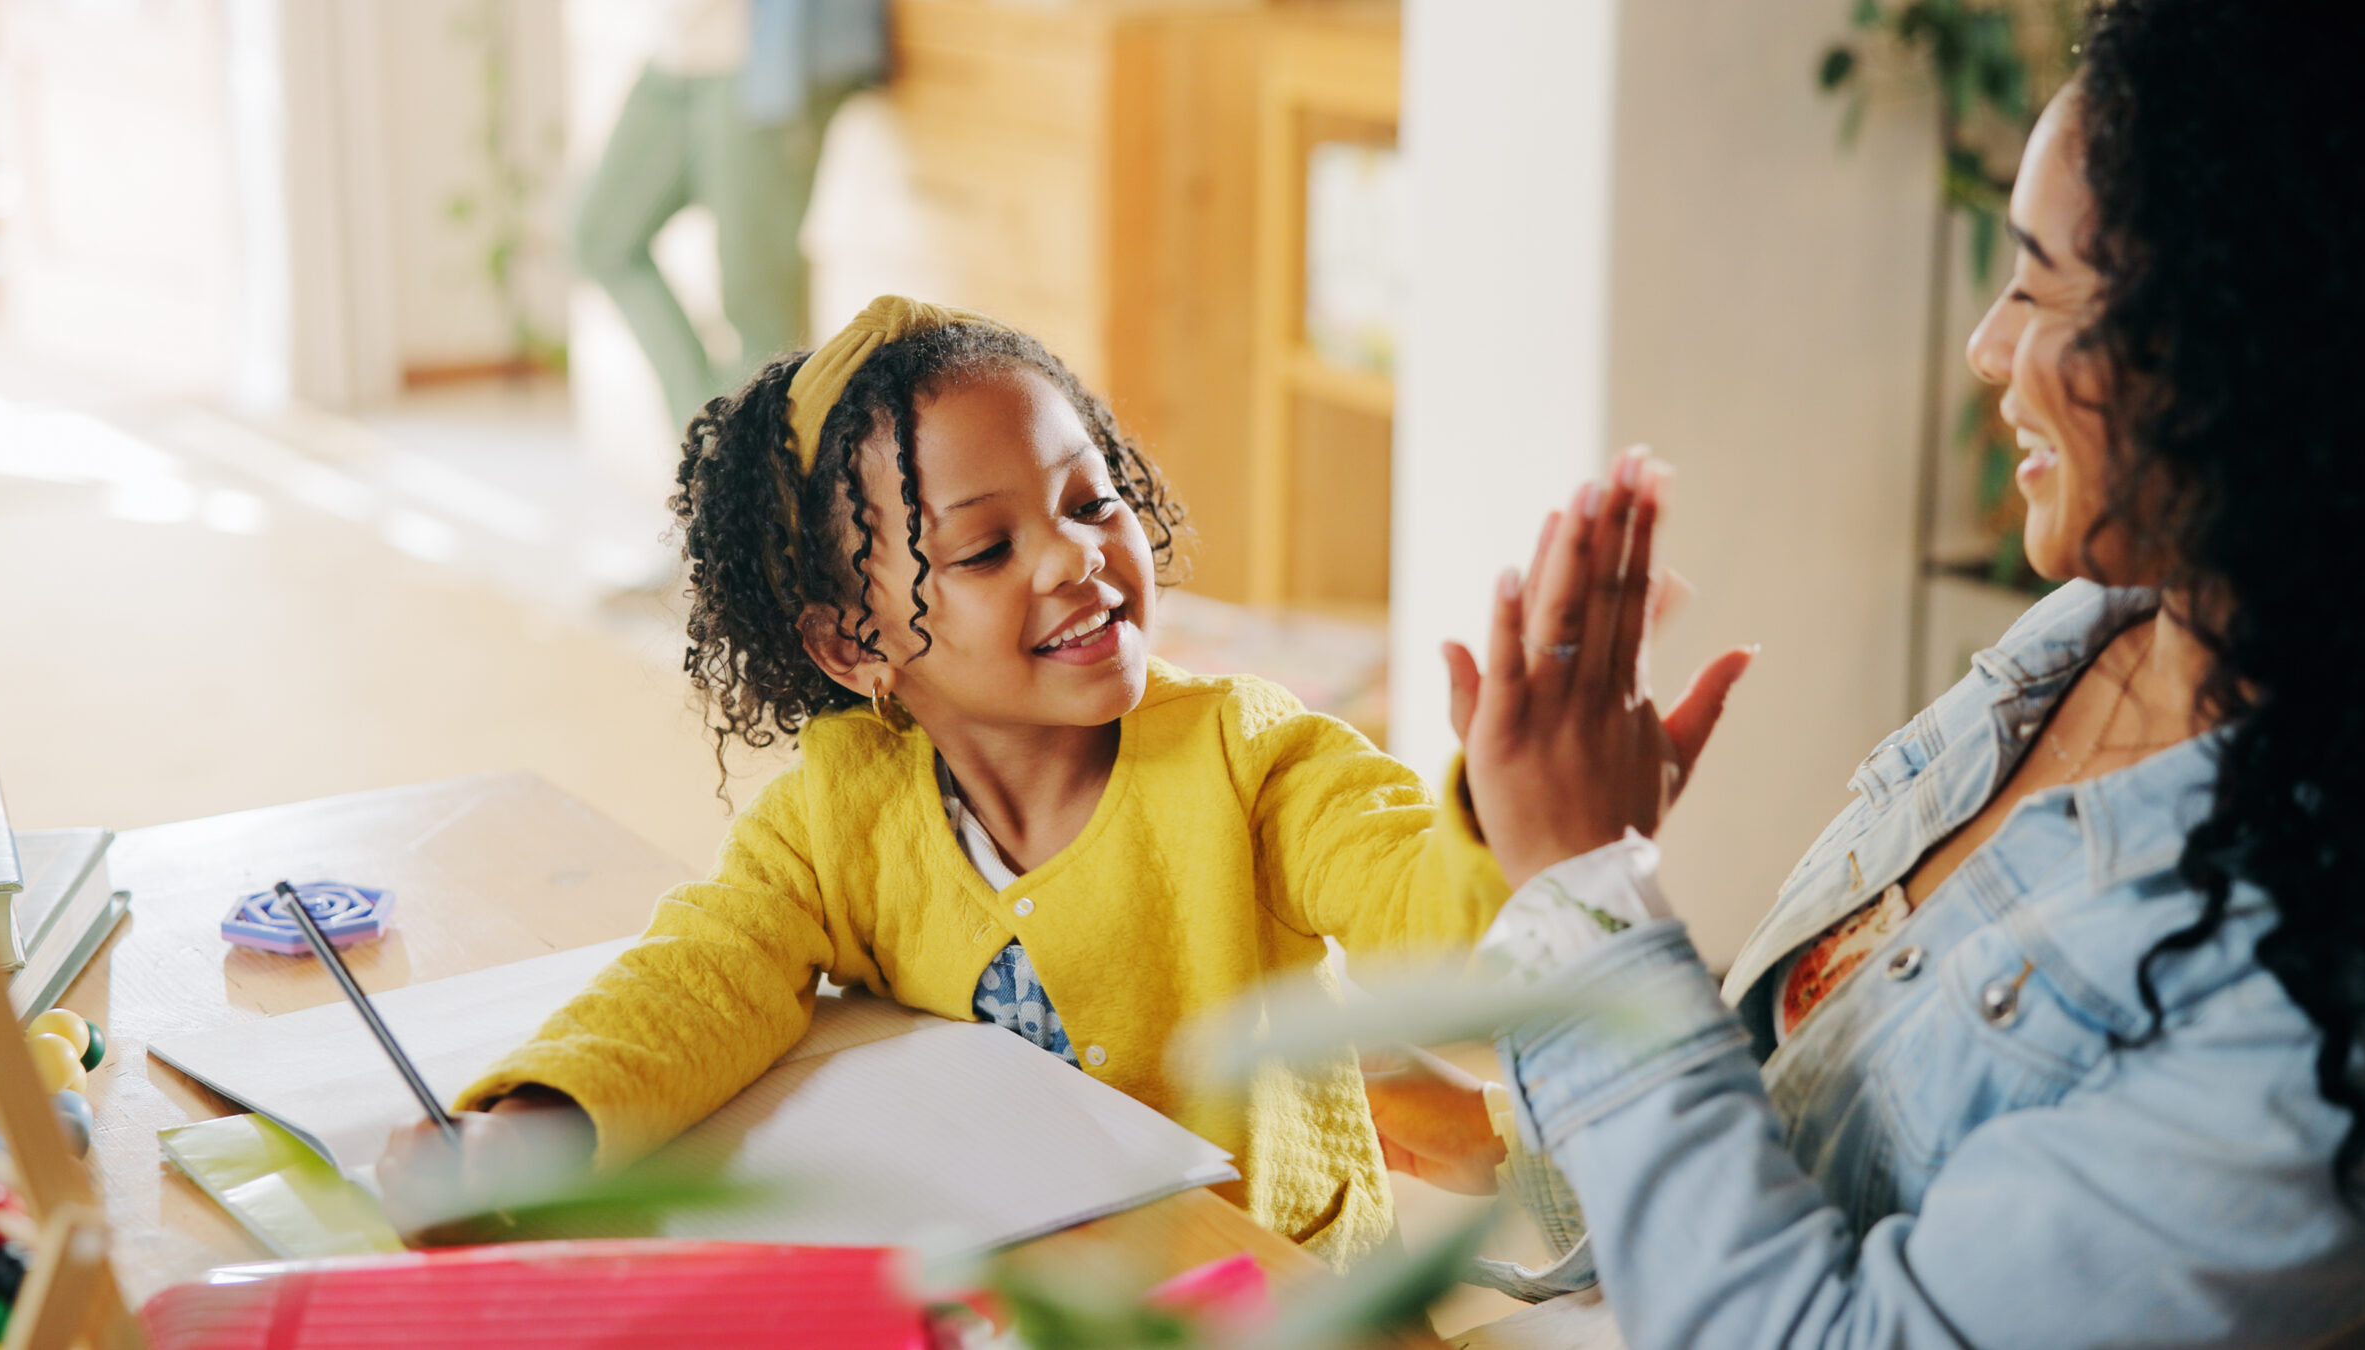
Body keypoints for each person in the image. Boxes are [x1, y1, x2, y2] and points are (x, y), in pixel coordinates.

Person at [1370, 2, 2365, 1343]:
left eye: (2036, 285)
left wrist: (1587, 890)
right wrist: (1485, 1117)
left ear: (2246, 347)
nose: (1986, 346)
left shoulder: (2330, 1002)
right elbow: (1796, 1148)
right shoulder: (2084, 639)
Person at [376, 296, 1732, 1267]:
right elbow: (703, 972)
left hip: (1268, 1296)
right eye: (985, 549)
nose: (1076, 558)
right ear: (856, 647)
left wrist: (1520, 828)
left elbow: (1427, 918)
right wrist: (538, 1119)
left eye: (1094, 502)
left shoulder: (1250, 754)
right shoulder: (843, 810)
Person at [573, 0, 887, 423]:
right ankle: (712, 436)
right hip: (681, 50)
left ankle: (761, 471)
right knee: (600, 238)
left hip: (768, 60)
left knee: (756, 297)